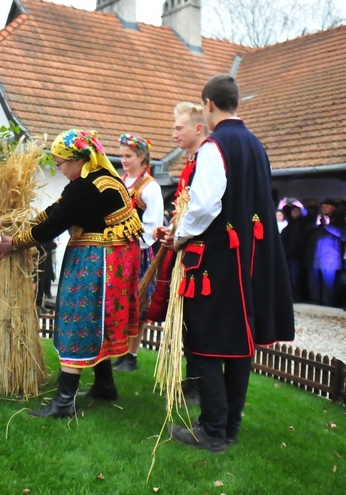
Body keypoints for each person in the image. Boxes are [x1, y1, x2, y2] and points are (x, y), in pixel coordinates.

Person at [157, 75, 294, 452]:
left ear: (209, 105)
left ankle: (213, 430)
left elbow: (204, 206)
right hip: (251, 258)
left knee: (204, 343)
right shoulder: (256, 145)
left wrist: (179, 235)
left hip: (218, 259)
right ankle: (229, 427)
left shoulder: (215, 146)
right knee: (238, 346)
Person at [0, 129, 143, 418]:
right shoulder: (100, 178)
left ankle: (64, 402)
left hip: (96, 259)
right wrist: (20, 221)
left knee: (79, 317)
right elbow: (57, 209)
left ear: (77, 159)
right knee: (97, 321)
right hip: (113, 258)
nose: (58, 169)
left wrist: (15, 243)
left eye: (60, 163)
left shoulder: (87, 186)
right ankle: (104, 385)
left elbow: (54, 224)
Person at [146, 101, 208, 403]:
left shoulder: (205, 163)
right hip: (182, 249)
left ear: (198, 128)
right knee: (186, 323)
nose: (173, 135)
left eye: (178, 128)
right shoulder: (191, 162)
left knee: (196, 323)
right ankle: (193, 380)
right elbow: (185, 212)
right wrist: (169, 231)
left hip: (197, 258)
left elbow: (203, 212)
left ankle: (198, 383)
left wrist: (178, 236)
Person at [113, 133, 162, 372]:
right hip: (119, 252)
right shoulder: (121, 181)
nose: (123, 160)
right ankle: (121, 351)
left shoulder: (150, 186)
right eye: (122, 155)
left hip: (138, 252)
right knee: (120, 302)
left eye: (128, 156)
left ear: (141, 157)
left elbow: (152, 226)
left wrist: (133, 242)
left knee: (138, 303)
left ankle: (131, 354)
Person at [306, 198, 346, 306]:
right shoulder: (316, 218)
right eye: (322, 206)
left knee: (329, 282)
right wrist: (316, 223)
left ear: (333, 208)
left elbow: (343, 235)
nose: (324, 208)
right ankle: (314, 301)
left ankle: (328, 302)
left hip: (330, 256)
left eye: (327, 206)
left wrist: (328, 225)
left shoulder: (339, 219)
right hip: (315, 255)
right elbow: (306, 231)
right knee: (313, 281)